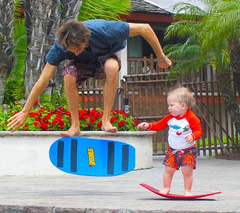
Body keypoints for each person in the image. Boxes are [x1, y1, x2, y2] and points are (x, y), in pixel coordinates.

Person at [7, 19, 171, 136]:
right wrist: (25, 111)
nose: (76, 52)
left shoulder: (105, 29)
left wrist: (161, 57)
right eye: (72, 50)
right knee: (68, 75)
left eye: (78, 48)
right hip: (82, 64)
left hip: (105, 56)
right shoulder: (60, 47)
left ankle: (106, 120)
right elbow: (43, 80)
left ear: (86, 38)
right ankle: (75, 125)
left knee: (112, 67)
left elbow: (145, 28)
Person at [137, 86, 202, 196]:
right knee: (168, 170)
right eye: (169, 105)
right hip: (172, 150)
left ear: (183, 106)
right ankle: (166, 188)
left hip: (188, 151)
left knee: (187, 172)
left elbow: (199, 130)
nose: (169, 108)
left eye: (172, 105)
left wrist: (193, 136)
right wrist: (148, 125)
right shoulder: (170, 118)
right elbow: (159, 125)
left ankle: (187, 191)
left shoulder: (191, 118)